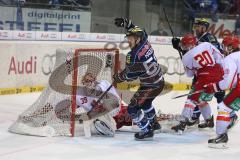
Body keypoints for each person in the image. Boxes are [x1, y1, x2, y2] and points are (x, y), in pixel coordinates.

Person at [113, 17, 164, 140]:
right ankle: (154, 124)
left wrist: (118, 77)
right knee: (146, 104)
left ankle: (147, 130)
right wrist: (128, 24)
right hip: (159, 82)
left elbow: (130, 76)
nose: (128, 41)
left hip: (150, 86)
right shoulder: (145, 42)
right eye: (128, 38)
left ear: (137, 39)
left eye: (130, 39)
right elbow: (139, 31)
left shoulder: (133, 55)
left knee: (132, 109)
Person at [171, 18, 227, 131]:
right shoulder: (205, 43)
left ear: (204, 27)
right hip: (217, 72)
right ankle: (208, 120)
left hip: (204, 76)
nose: (196, 28)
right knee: (201, 99)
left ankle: (183, 123)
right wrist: (220, 70)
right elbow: (218, 56)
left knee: (192, 98)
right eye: (195, 26)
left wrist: (184, 54)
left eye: (198, 26)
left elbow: (190, 74)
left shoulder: (207, 40)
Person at [203, 36, 240, 148]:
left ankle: (221, 137)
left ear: (230, 47)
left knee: (223, 107)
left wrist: (214, 87)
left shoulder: (230, 58)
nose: (223, 49)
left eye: (224, 46)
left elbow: (229, 82)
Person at [76, 73, 121, 137]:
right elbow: (78, 104)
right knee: (92, 124)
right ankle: (107, 128)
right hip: (102, 110)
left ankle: (109, 125)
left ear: (94, 80)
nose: (88, 83)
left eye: (90, 81)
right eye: (86, 81)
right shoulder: (82, 93)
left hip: (114, 106)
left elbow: (99, 90)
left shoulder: (103, 83)